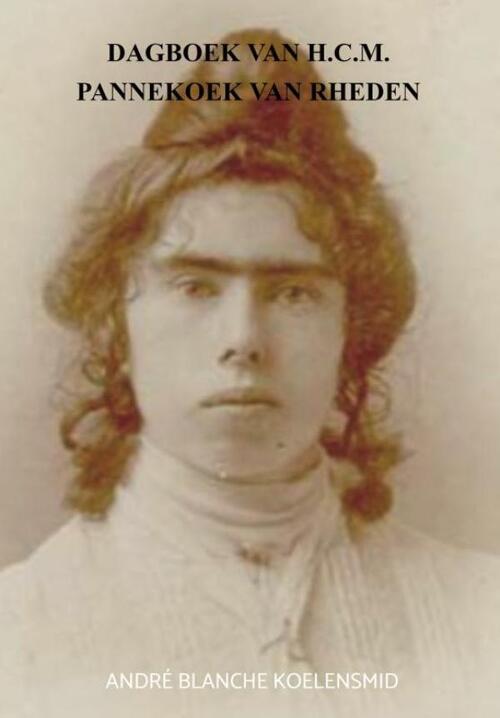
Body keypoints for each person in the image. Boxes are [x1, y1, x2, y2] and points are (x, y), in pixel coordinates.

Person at [1, 28, 499, 718]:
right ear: (116, 320)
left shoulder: (480, 617)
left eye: (293, 293)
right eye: (195, 287)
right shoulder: (20, 636)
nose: (243, 341)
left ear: (351, 330)